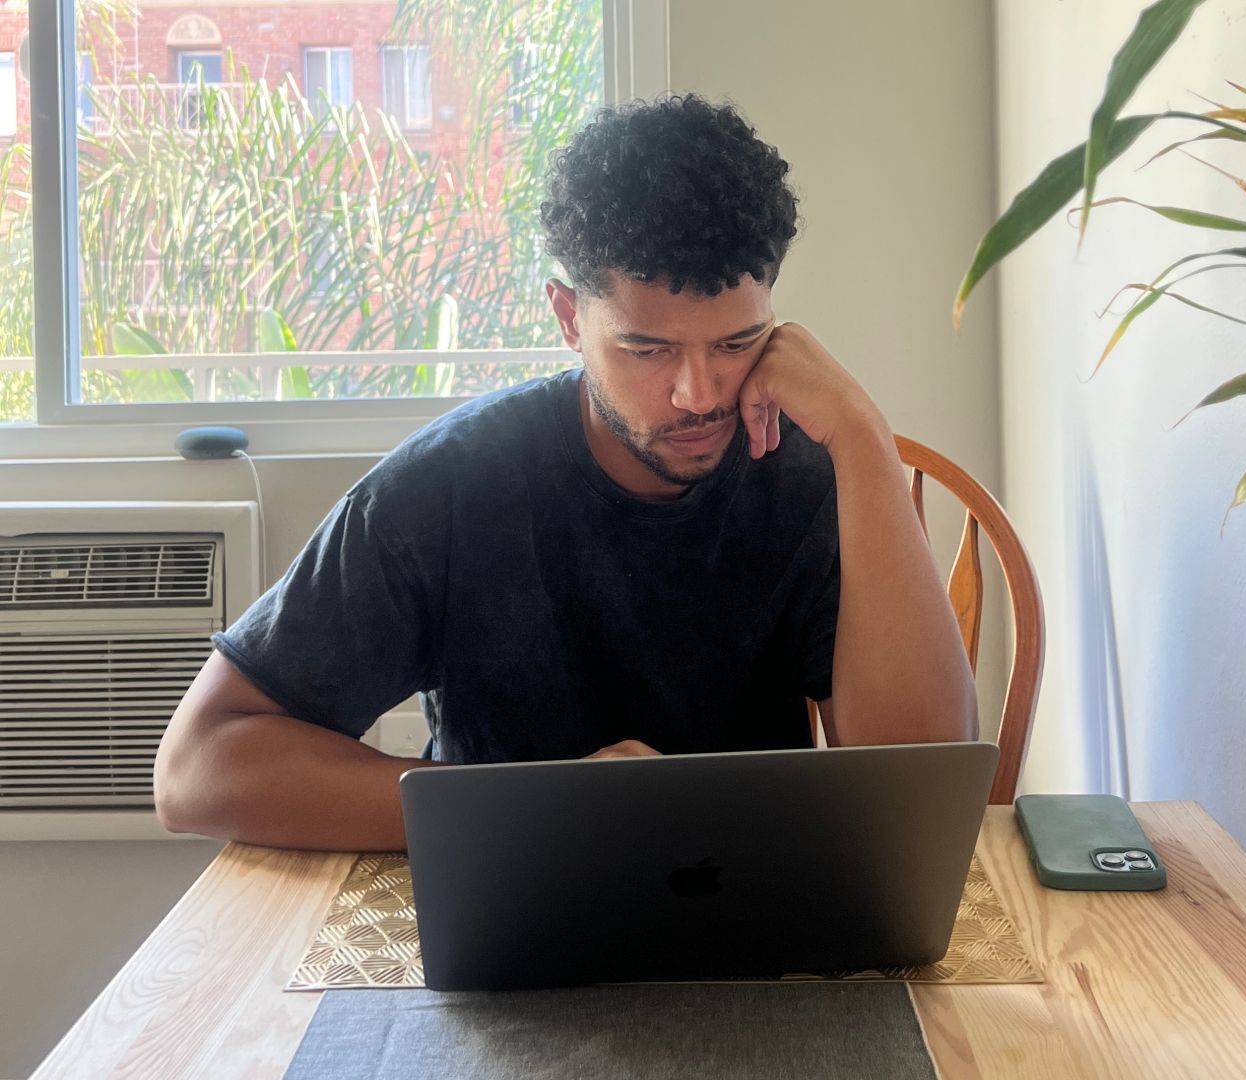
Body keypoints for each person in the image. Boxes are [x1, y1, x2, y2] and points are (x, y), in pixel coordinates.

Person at [153, 94, 977, 852]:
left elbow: (924, 788)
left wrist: (863, 440)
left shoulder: (802, 471)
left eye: (735, 344)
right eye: (646, 349)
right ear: (567, 317)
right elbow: (196, 767)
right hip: (508, 889)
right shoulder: (451, 486)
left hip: (760, 897)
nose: (699, 395)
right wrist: (529, 805)